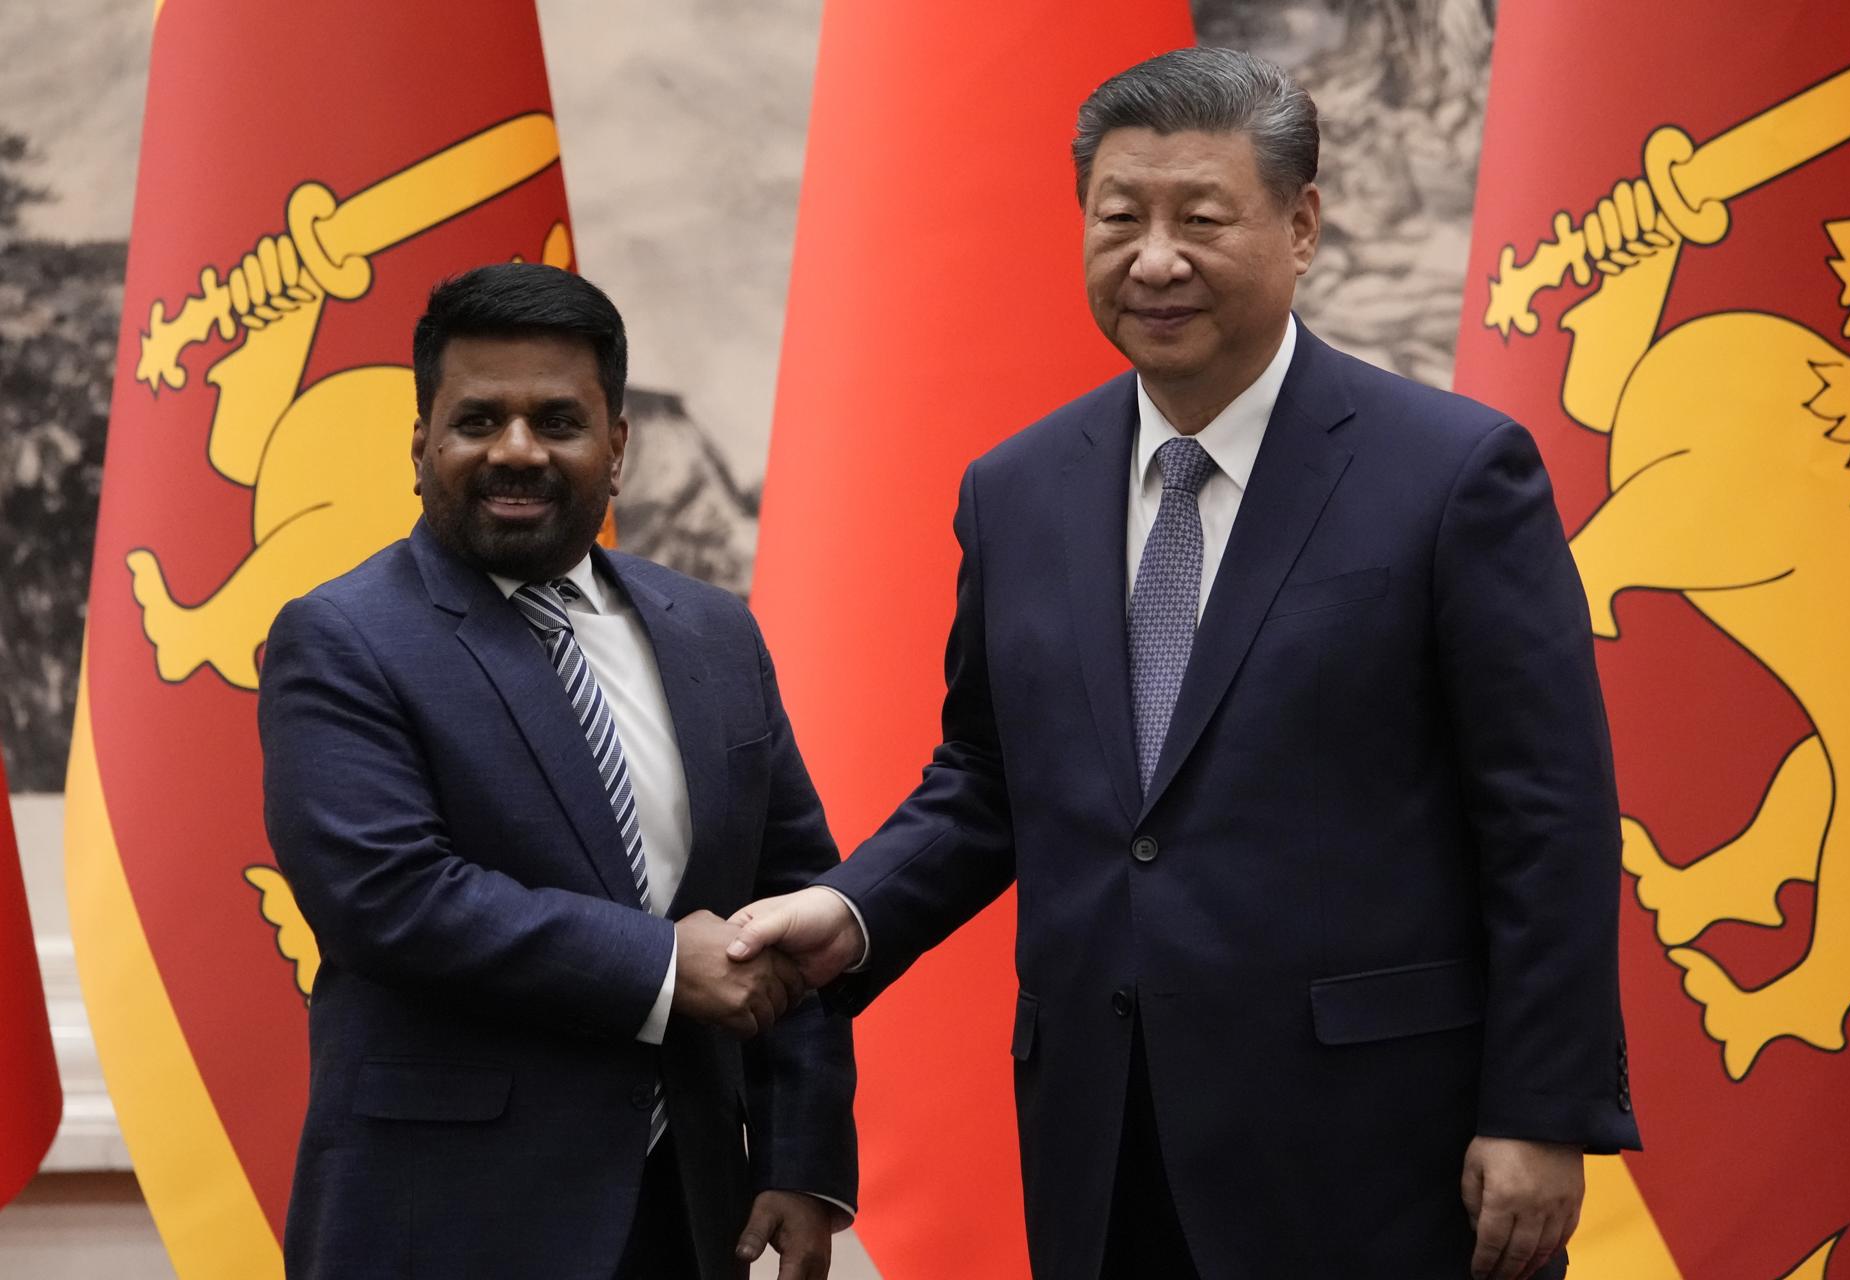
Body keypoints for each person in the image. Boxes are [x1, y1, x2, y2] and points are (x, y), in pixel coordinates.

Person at [726, 47, 1639, 1280]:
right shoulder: (1017, 490)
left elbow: (1549, 813)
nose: (1155, 259)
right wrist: (854, 908)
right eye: (1120, 219)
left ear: (1301, 224)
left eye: (1200, 219)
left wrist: (1541, 1109)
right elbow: (991, 775)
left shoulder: (1454, 474)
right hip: (1106, 1137)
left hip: (1374, 1146)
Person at [259, 263, 855, 1280]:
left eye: (558, 420)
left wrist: (802, 1157)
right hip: (443, 1223)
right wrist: (667, 968)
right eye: (478, 418)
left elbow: (798, 904)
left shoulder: (715, 634)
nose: (517, 450)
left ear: (617, 446)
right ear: (421, 443)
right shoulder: (341, 638)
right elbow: (392, 896)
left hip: (692, 1214)